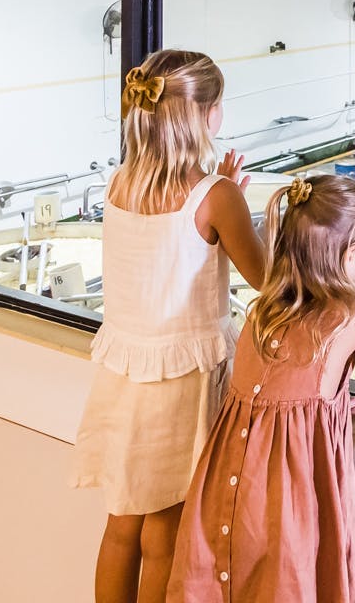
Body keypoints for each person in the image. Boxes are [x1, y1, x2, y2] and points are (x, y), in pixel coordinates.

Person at [69, 50, 267, 603]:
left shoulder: (118, 184)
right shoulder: (216, 197)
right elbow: (264, 277)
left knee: (121, 525)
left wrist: (223, 192)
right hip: (180, 387)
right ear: (203, 116)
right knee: (164, 533)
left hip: (124, 377)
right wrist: (250, 211)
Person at [167, 175, 355, 603]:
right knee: (284, 582)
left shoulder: (264, 306)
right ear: (350, 253)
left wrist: (329, 407)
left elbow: (284, 395)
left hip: (227, 480)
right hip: (285, 493)